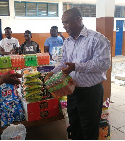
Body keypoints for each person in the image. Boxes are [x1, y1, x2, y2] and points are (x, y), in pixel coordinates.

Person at [45, 8, 111, 140]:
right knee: (75, 126)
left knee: (89, 128)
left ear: (78, 20)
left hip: (91, 93)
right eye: (63, 23)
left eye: (67, 22)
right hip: (72, 91)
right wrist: (52, 73)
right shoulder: (68, 42)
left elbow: (103, 63)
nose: (64, 26)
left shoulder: (96, 39)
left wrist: (76, 67)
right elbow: (64, 62)